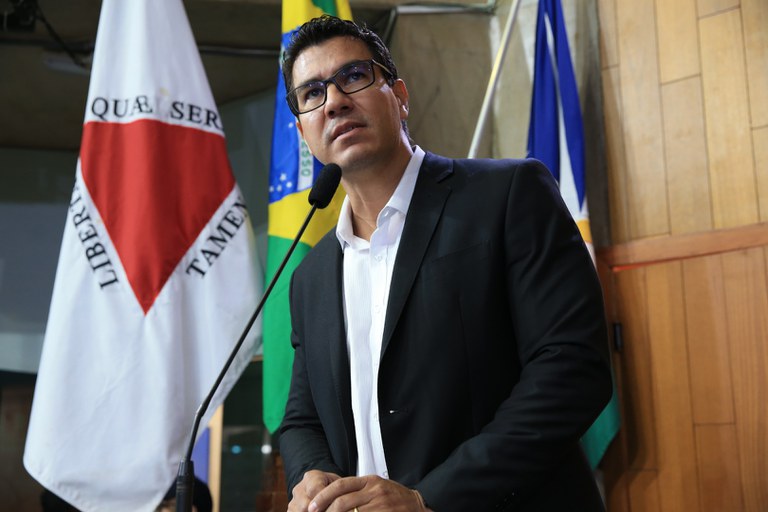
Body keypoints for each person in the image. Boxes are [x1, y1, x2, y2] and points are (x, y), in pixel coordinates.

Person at [278, 15, 612, 512]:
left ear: (400, 95)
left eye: (354, 76)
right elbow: (302, 419)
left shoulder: (507, 196)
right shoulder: (311, 276)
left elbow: (572, 368)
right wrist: (312, 477)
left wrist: (427, 499)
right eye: (312, 93)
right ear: (304, 133)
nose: (334, 102)